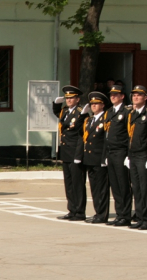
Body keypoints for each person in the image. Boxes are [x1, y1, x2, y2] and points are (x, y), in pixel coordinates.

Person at [53, 85, 89, 221]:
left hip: (75, 152)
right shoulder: (65, 111)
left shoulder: (81, 112)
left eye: (71, 98)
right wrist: (56, 103)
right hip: (66, 152)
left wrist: (79, 155)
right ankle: (72, 209)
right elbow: (57, 114)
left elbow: (81, 135)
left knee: (77, 183)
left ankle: (80, 211)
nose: (68, 100)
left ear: (77, 99)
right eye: (66, 98)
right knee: (68, 183)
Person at [75, 92, 110, 224]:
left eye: (96, 104)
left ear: (102, 105)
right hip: (89, 158)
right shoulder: (89, 120)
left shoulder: (105, 119)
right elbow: (78, 130)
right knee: (94, 188)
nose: (94, 106)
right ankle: (97, 212)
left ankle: (102, 214)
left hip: (99, 158)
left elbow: (106, 140)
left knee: (101, 189)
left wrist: (104, 158)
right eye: (92, 104)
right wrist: (83, 114)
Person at [126, 85, 147, 230]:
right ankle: (139, 217)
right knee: (136, 188)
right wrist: (128, 155)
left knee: (145, 188)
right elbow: (129, 137)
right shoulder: (131, 114)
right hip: (133, 155)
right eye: (133, 95)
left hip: (144, 155)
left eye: (139, 95)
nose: (135, 97)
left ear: (145, 98)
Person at [103, 84, 134, 227]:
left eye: (116, 94)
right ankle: (119, 214)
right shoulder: (109, 112)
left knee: (123, 185)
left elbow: (129, 134)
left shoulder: (127, 111)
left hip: (121, 152)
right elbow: (106, 135)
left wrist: (129, 154)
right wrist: (105, 155)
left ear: (122, 96)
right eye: (111, 94)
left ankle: (125, 216)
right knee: (115, 186)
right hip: (111, 152)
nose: (113, 96)